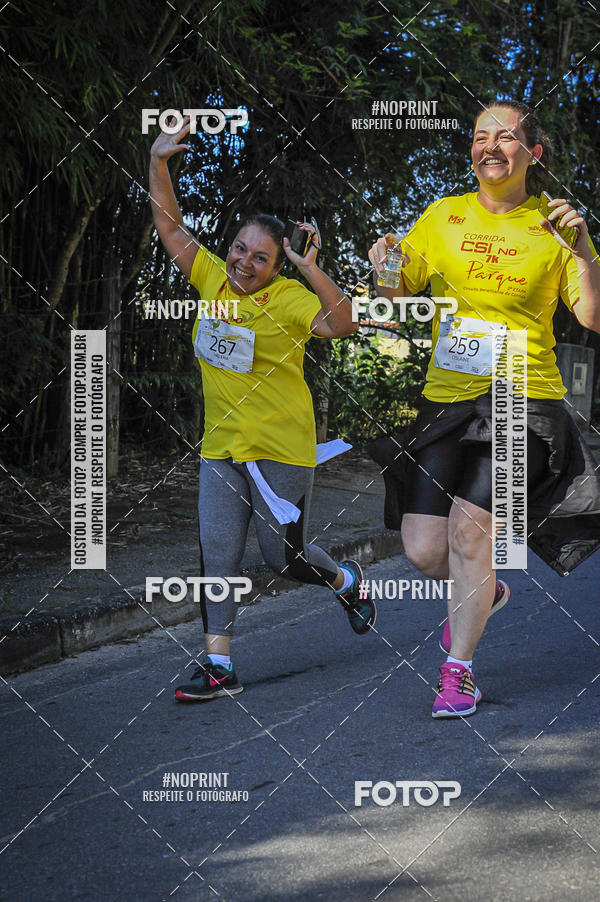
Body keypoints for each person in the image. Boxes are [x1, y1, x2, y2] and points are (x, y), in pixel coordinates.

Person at [368, 100, 600, 718]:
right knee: (421, 547)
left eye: (505, 137)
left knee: (473, 530)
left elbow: (592, 316)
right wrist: (384, 260)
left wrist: (582, 252)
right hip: (448, 398)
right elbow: (396, 289)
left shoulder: (554, 226)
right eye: (479, 137)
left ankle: (458, 672)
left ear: (534, 153)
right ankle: (486, 590)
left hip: (521, 398)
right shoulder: (443, 216)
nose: (489, 146)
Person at [149, 115, 376, 701]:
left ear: (277, 266)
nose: (244, 265)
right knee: (217, 553)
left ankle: (344, 579)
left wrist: (309, 267)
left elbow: (344, 322)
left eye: (260, 259)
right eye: (239, 250)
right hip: (221, 448)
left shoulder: (291, 298)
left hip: (280, 449)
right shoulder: (212, 283)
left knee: (284, 557)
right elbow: (171, 228)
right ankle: (218, 665)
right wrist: (158, 162)